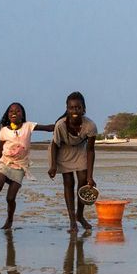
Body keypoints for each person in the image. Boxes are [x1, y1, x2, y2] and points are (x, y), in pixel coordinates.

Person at [0, 103, 39, 228]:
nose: (14, 113)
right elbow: (0, 149)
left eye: (18, 111)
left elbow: (48, 128)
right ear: (8, 115)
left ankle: (9, 220)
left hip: (20, 167)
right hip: (5, 162)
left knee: (10, 198)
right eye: (11, 111)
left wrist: (63, 123)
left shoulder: (28, 126)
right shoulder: (4, 130)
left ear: (23, 114)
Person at [46, 92, 99, 232]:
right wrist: (52, 166)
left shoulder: (90, 126)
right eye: (71, 108)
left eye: (78, 107)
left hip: (80, 150)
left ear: (84, 109)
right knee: (69, 182)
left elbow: (91, 150)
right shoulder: (60, 125)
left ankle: (80, 216)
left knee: (82, 181)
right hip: (61, 150)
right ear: (67, 109)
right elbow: (54, 145)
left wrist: (90, 176)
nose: (75, 110)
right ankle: (72, 221)